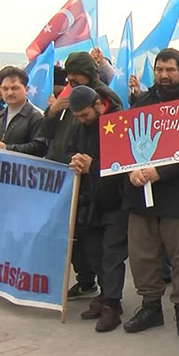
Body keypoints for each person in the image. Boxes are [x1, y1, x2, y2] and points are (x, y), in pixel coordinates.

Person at [121, 48, 179, 338]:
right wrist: (130, 170)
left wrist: (160, 172)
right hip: (141, 195)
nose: (164, 75)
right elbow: (125, 142)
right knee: (142, 255)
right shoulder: (143, 101)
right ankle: (150, 307)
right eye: (159, 70)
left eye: (170, 70)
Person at [64, 86, 129, 333]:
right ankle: (105, 294)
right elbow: (68, 149)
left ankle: (113, 304)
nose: (82, 120)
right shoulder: (78, 127)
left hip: (115, 200)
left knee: (112, 254)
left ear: (98, 105)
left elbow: (123, 162)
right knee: (95, 253)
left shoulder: (118, 123)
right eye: (77, 116)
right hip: (88, 201)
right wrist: (75, 160)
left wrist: (93, 165)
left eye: (85, 115)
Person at [0, 67, 47, 157]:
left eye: (15, 88)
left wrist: (7, 148)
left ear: (26, 89)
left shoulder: (36, 117)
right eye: (5, 89)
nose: (9, 93)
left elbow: (40, 147)